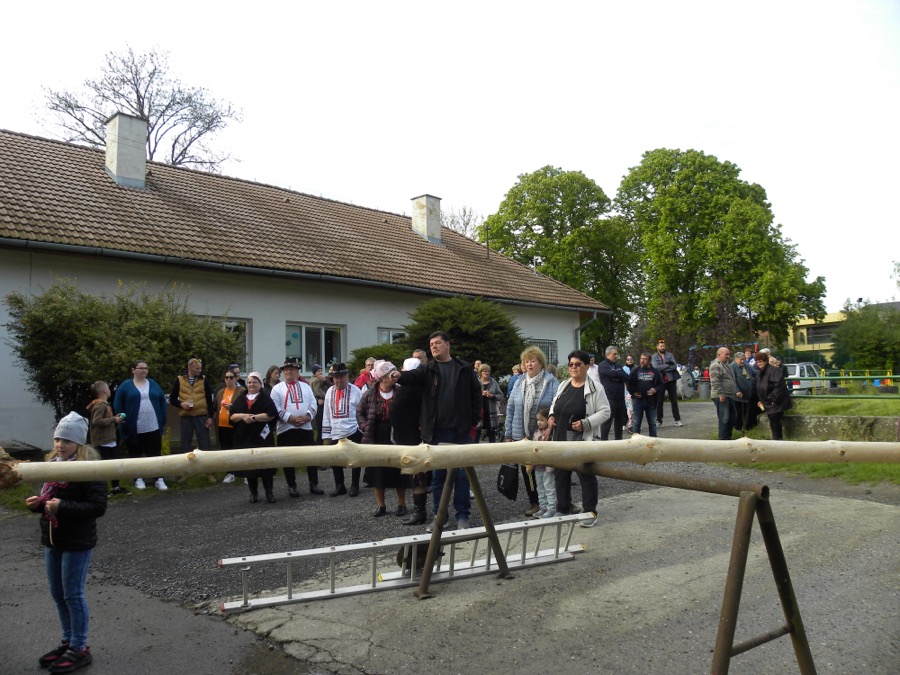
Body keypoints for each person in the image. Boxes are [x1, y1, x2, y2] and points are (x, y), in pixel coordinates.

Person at [26, 412, 107, 673]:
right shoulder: (52, 466)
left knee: (73, 594)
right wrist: (38, 505)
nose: (60, 445)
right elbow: (49, 502)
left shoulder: (89, 469)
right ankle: (67, 641)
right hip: (52, 539)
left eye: (67, 440)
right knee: (58, 594)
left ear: (79, 443)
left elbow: (97, 507)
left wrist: (62, 507)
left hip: (77, 541)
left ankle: (80, 647)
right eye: (57, 439)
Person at [392, 331, 481, 531]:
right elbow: (412, 377)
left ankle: (463, 516)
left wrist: (473, 418)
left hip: (460, 431)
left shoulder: (464, 368)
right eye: (431, 344)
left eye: (437, 343)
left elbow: (476, 393)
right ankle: (440, 517)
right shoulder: (428, 369)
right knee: (438, 477)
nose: (433, 346)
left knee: (461, 476)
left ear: (448, 345)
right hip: (436, 433)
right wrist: (400, 375)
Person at [549, 349, 610, 528]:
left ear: (586, 366)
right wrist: (551, 415)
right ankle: (563, 509)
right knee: (560, 474)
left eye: (578, 364)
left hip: (582, 439)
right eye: (571, 364)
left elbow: (605, 411)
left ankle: (590, 512)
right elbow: (555, 403)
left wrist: (586, 423)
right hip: (560, 437)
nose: (573, 367)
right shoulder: (564, 384)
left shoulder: (596, 388)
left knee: (585, 475)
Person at [503, 345, 559, 517]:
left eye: (532, 361)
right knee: (527, 470)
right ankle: (535, 502)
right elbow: (510, 409)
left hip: (544, 436)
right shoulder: (519, 382)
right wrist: (508, 435)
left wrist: (550, 427)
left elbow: (557, 407)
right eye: (526, 361)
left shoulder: (551, 382)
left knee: (548, 471)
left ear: (541, 363)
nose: (529, 364)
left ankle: (554, 503)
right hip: (522, 435)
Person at [356, 360, 410, 516]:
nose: (394, 375)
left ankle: (402, 504)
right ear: (383, 377)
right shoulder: (370, 393)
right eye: (390, 373)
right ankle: (381, 505)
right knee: (377, 471)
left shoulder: (400, 391)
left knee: (400, 469)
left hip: (397, 435)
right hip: (376, 435)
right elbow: (359, 412)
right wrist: (365, 426)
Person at [270, 357, 321, 497]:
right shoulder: (276, 389)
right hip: (286, 428)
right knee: (288, 459)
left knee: (311, 457)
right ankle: (292, 486)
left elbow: (313, 403)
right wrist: (289, 418)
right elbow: (275, 408)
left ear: (297, 372)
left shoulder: (306, 387)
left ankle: (314, 484)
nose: (288, 372)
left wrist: (307, 417)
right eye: (286, 370)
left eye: (291, 369)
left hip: (306, 427)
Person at [113, 360, 168, 491]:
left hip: (153, 426)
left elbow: (162, 400)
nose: (144, 370)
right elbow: (118, 403)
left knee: (155, 453)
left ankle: (158, 479)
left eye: (146, 368)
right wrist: (121, 418)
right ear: (133, 370)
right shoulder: (125, 386)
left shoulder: (153, 384)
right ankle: (138, 478)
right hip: (134, 427)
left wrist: (162, 417)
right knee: (135, 453)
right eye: (141, 368)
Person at [229, 372, 278, 503]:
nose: (251, 384)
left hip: (262, 438)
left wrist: (254, 418)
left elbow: (272, 414)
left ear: (260, 384)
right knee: (249, 467)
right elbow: (232, 416)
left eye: (254, 382)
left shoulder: (265, 398)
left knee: (266, 466)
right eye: (249, 382)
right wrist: (243, 416)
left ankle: (269, 493)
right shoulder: (241, 399)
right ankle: (253, 493)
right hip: (245, 438)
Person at [394, 357, 428, 526]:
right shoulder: (426, 389)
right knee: (424, 477)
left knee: (417, 478)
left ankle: (420, 512)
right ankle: (429, 511)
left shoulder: (404, 390)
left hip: (410, 439)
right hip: (424, 438)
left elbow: (394, 413)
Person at [322, 363, 363, 496]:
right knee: (335, 459)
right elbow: (326, 412)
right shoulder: (329, 391)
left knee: (355, 458)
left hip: (353, 429)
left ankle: (355, 485)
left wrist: (362, 428)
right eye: (336, 378)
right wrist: (327, 433)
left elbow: (362, 411)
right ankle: (340, 485)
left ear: (347, 376)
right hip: (335, 431)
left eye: (341, 377)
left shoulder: (356, 391)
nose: (338, 380)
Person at [86, 381, 128, 497]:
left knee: (114, 464)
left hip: (109, 440)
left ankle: (116, 487)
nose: (109, 390)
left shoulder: (104, 404)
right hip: (103, 441)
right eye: (108, 388)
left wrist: (115, 419)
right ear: (104, 391)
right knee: (104, 467)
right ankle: (102, 490)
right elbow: (96, 421)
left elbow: (105, 419)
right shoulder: (100, 405)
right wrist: (114, 420)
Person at [168, 357, 214, 454]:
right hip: (186, 417)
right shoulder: (179, 379)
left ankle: (205, 462)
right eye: (197, 368)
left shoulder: (204, 379)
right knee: (185, 444)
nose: (200, 370)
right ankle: (186, 462)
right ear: (190, 368)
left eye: (200, 368)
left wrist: (210, 417)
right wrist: (181, 404)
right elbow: (172, 399)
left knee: (204, 444)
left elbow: (209, 400)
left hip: (201, 416)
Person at [215, 369, 245, 484]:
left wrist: (233, 407)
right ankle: (230, 472)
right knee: (226, 450)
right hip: (222, 425)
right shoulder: (220, 392)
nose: (228, 379)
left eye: (231, 377)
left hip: (236, 425)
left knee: (238, 449)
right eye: (226, 377)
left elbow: (244, 406)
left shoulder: (241, 391)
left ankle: (243, 473)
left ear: (236, 378)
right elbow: (215, 407)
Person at [755, 351, 792, 440]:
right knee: (773, 420)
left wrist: (773, 400)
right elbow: (760, 387)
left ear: (766, 361)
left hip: (776, 401)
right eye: (757, 362)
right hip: (768, 400)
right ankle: (776, 439)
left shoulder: (773, 371)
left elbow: (779, 387)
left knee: (774, 420)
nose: (759, 363)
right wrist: (761, 400)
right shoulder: (760, 372)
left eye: (761, 361)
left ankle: (777, 440)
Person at [597, 346, 630, 441]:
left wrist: (616, 375)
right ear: (608, 354)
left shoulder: (618, 366)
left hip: (620, 398)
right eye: (614, 354)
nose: (616, 356)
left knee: (619, 422)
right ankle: (604, 443)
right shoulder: (602, 365)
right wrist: (618, 375)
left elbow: (626, 377)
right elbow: (613, 374)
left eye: (617, 354)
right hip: (609, 398)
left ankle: (618, 442)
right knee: (607, 423)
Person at [530, 407, 557, 519]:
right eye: (538, 420)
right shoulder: (536, 433)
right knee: (540, 488)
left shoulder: (551, 434)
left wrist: (549, 429)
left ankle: (552, 508)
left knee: (549, 488)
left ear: (548, 420)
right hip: (538, 467)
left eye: (542, 420)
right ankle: (543, 507)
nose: (539, 422)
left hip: (548, 467)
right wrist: (531, 465)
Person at [628, 352, 662, 437]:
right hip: (638, 400)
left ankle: (653, 441)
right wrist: (633, 393)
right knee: (636, 422)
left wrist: (655, 389)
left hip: (651, 401)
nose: (642, 361)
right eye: (641, 359)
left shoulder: (655, 371)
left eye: (645, 359)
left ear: (649, 361)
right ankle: (635, 441)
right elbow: (628, 384)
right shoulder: (635, 370)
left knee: (652, 423)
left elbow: (661, 384)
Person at [709, 347, 739, 440]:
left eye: (728, 354)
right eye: (726, 354)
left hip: (729, 395)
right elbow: (715, 380)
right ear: (719, 354)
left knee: (732, 417)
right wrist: (721, 394)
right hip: (721, 396)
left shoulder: (725, 365)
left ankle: (728, 438)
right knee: (724, 418)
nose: (728, 356)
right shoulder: (715, 365)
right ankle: (723, 440)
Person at [651, 339, 683, 427]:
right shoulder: (654, 357)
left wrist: (663, 367)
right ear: (657, 347)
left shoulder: (670, 355)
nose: (662, 347)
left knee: (674, 401)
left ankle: (677, 419)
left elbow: (674, 366)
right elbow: (655, 367)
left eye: (664, 346)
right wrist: (668, 365)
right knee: (659, 401)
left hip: (671, 380)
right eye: (661, 346)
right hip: (660, 381)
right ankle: (659, 420)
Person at [477, 364, 504, 443]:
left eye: (488, 371)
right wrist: (480, 394)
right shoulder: (476, 382)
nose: (487, 373)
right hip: (479, 411)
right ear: (480, 372)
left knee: (491, 432)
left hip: (491, 412)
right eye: (484, 371)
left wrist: (492, 396)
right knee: (476, 432)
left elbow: (501, 395)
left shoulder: (493, 382)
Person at [730, 351, 754, 434]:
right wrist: (737, 390)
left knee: (747, 412)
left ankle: (747, 428)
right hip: (737, 395)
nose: (742, 361)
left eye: (743, 359)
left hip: (747, 394)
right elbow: (732, 381)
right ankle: (738, 429)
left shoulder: (746, 365)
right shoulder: (732, 367)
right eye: (741, 359)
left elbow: (755, 372)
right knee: (738, 413)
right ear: (736, 359)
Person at [623, 355, 635, 432]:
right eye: (628, 359)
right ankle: (624, 424)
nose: (629, 361)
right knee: (627, 408)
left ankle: (633, 424)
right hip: (626, 391)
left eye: (631, 359)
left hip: (635, 390)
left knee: (634, 409)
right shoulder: (623, 369)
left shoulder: (636, 368)